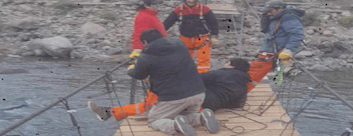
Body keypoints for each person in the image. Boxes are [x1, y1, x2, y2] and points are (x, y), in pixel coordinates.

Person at [89, 29, 219, 136]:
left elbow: (139, 74)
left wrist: (133, 66)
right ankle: (201, 118)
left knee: (154, 118)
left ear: (145, 42)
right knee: (184, 113)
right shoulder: (179, 44)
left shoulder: (146, 57)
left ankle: (175, 126)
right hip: (198, 92)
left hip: (172, 97)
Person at [88, 58, 250, 122]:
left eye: (227, 62)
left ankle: (110, 112)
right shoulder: (244, 84)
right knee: (156, 106)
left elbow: (195, 80)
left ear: (232, 66)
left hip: (199, 100)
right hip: (210, 106)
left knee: (154, 102)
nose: (224, 64)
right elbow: (237, 104)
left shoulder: (221, 74)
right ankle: (112, 112)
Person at [247, 0, 305, 92]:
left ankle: (238, 95)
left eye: (270, 10)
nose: (268, 12)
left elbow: (297, 34)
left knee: (252, 74)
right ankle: (240, 93)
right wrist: (265, 16)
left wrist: (288, 50)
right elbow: (265, 29)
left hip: (272, 54)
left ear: (279, 9)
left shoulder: (288, 17)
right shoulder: (276, 17)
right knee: (252, 74)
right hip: (268, 53)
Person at [163, 0, 219, 73]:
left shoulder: (204, 9)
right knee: (184, 59)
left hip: (202, 39)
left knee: (204, 61)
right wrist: (158, 35)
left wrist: (214, 36)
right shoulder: (178, 10)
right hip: (185, 38)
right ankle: (186, 77)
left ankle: (204, 78)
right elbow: (166, 24)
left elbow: (214, 24)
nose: (191, 0)